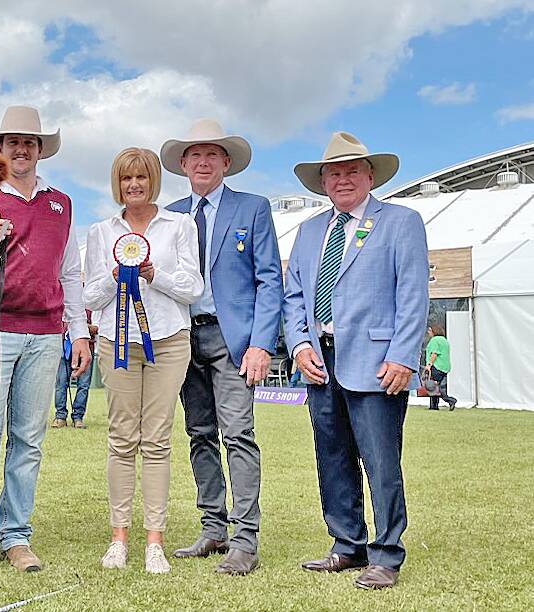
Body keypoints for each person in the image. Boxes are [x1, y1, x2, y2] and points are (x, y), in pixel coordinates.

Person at [0, 105, 91, 579]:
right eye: (12, 141)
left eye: (30, 141)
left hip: (46, 334)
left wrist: (79, 331)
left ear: (41, 148)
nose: (21, 148)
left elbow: (69, 272)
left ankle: (14, 534)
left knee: (28, 440)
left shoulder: (61, 203)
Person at [283, 131, 428, 590]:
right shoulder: (308, 232)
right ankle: (347, 544)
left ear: (370, 176)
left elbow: (413, 295)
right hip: (319, 362)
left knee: (381, 461)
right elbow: (293, 298)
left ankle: (386, 554)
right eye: (333, 172)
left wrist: (404, 355)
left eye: (351, 171)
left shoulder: (401, 222)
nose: (342, 179)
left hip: (377, 361)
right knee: (332, 457)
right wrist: (300, 345)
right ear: (322, 181)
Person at [161, 119, 283, 575]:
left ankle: (244, 540)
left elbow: (270, 278)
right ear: (183, 165)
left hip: (233, 341)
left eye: (213, 154)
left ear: (226, 163)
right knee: (198, 434)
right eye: (195, 155)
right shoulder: (169, 215)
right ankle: (213, 528)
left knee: (238, 435)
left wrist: (261, 343)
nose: (204, 161)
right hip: (180, 338)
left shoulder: (252, 209)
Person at [85, 147, 203, 573]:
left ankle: (155, 540)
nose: (133, 185)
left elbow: (192, 287)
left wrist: (156, 275)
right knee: (121, 440)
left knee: (156, 440)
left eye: (141, 177)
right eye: (125, 179)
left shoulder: (180, 225)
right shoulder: (101, 231)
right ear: (117, 184)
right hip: (116, 342)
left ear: (154, 180)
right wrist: (114, 277)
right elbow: (88, 296)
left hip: (169, 341)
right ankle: (118, 537)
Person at [52, 313, 96, 429]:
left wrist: (81, 327)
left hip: (86, 351)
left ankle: (78, 417)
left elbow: (97, 328)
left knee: (83, 385)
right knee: (60, 384)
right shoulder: (64, 304)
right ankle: (60, 417)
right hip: (64, 348)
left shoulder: (92, 305)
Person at [424, 323, 457, 410]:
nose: (428, 332)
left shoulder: (435, 340)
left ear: (434, 331)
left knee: (433, 387)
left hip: (436, 367)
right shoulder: (444, 340)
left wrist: (429, 365)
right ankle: (434, 406)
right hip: (445, 367)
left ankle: (450, 400)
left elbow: (434, 353)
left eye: (430, 330)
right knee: (438, 387)